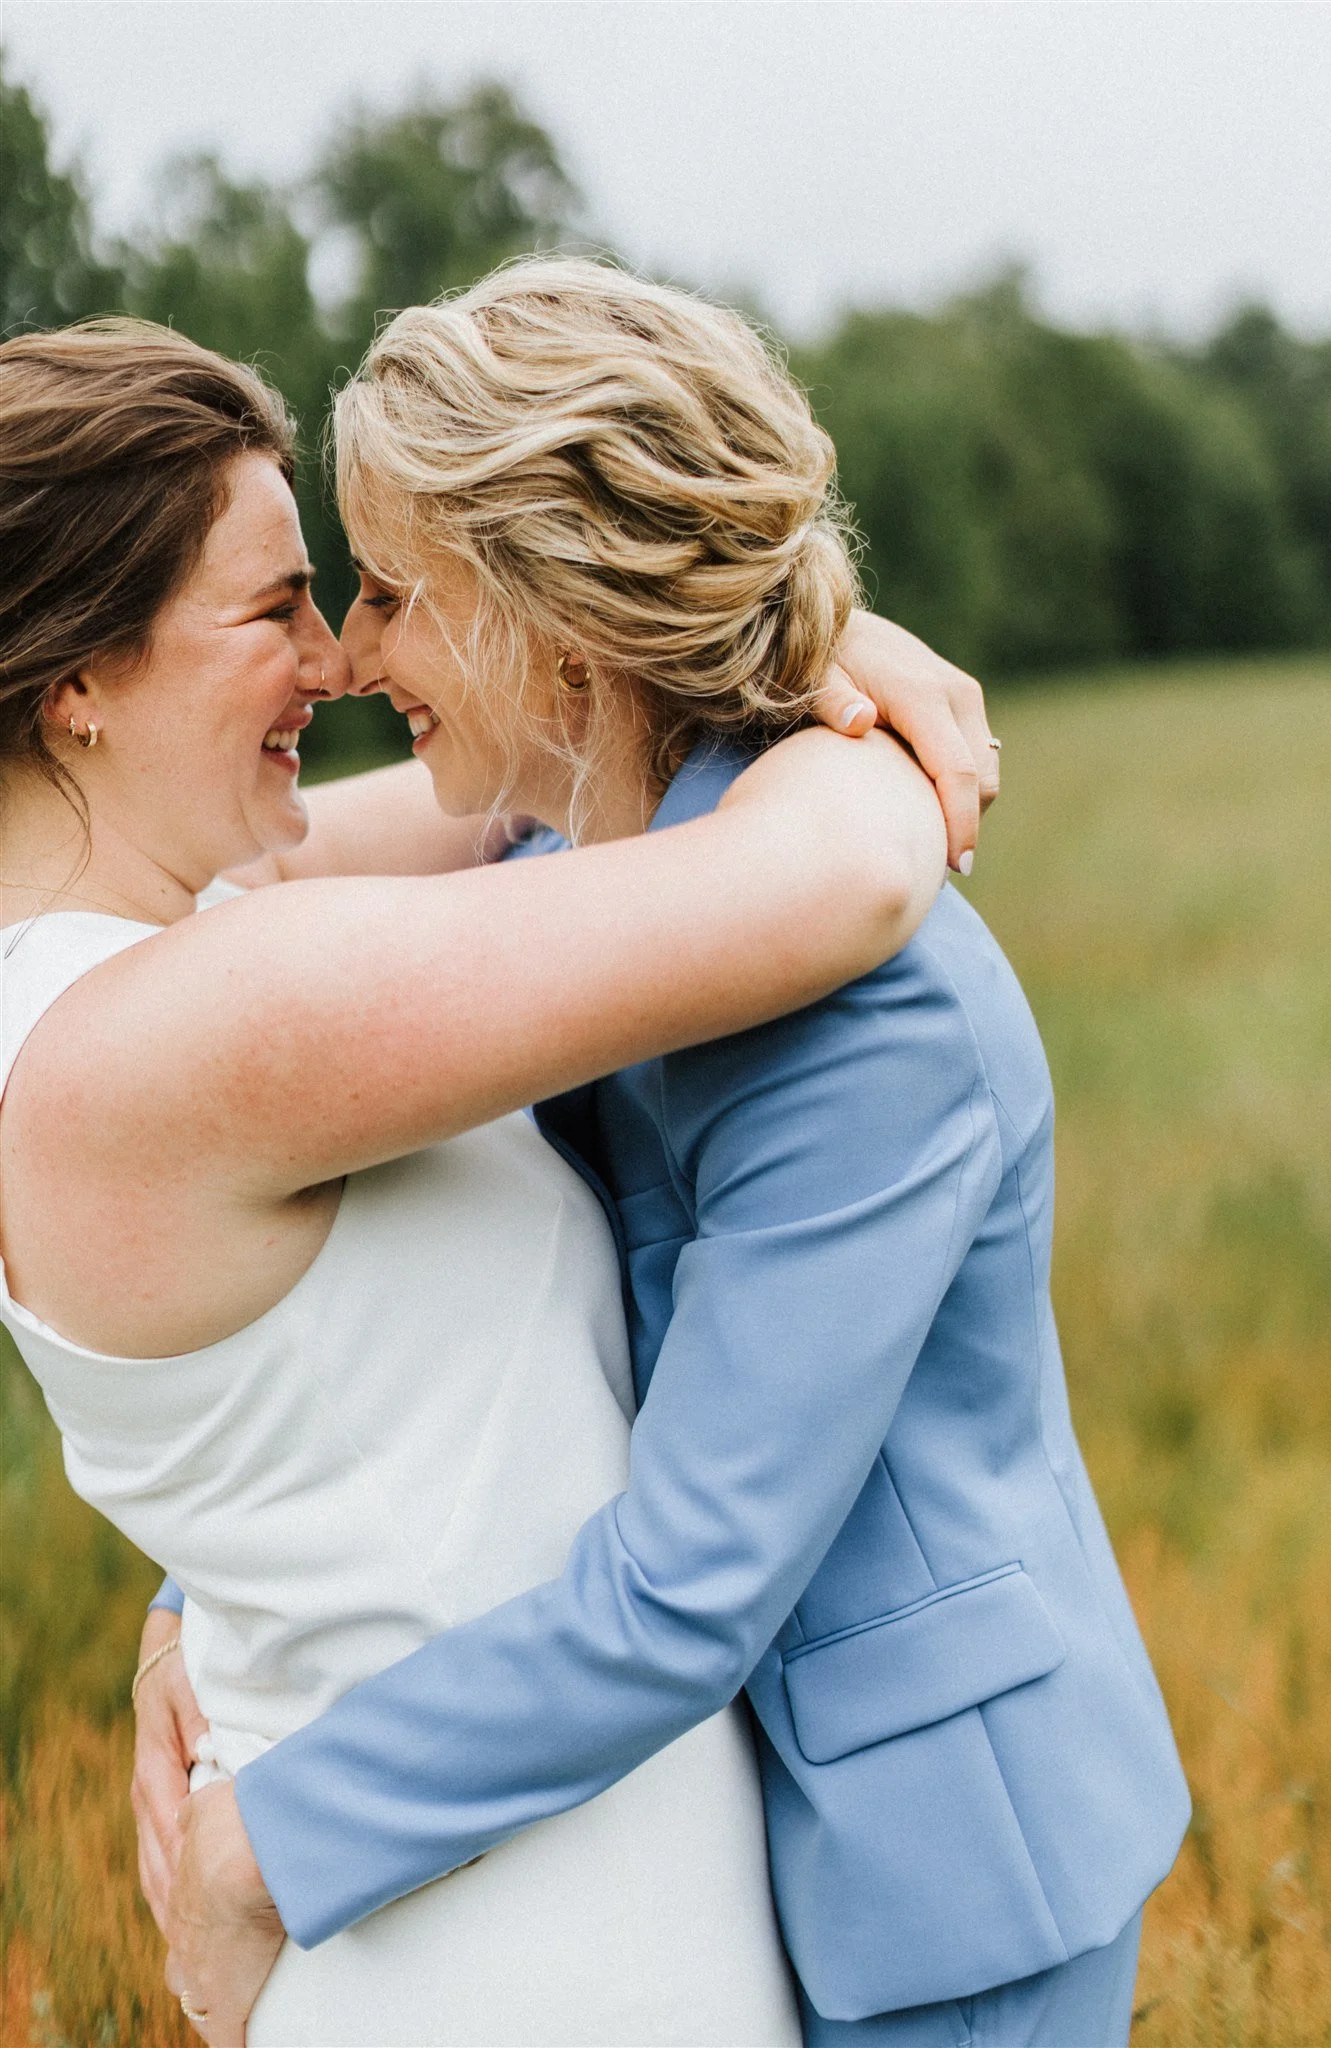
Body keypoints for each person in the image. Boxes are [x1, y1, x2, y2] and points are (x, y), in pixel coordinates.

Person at [150, 261, 1190, 2047]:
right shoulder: (568, 865)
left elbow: (688, 1591)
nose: (359, 655)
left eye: (398, 592)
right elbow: (394, 1226)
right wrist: (201, 1577)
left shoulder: (874, 1028)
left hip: (935, 1887)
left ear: (550, 612)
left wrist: (264, 1846)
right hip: (690, 1840)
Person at [0, 317, 978, 2046]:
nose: (336, 660)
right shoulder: (183, 1026)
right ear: (76, 677)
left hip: (471, 1867)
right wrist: (871, 715)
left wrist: (781, 638)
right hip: (525, 1940)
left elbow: (543, 774)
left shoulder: (151, 956)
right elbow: (829, 883)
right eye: (272, 606)